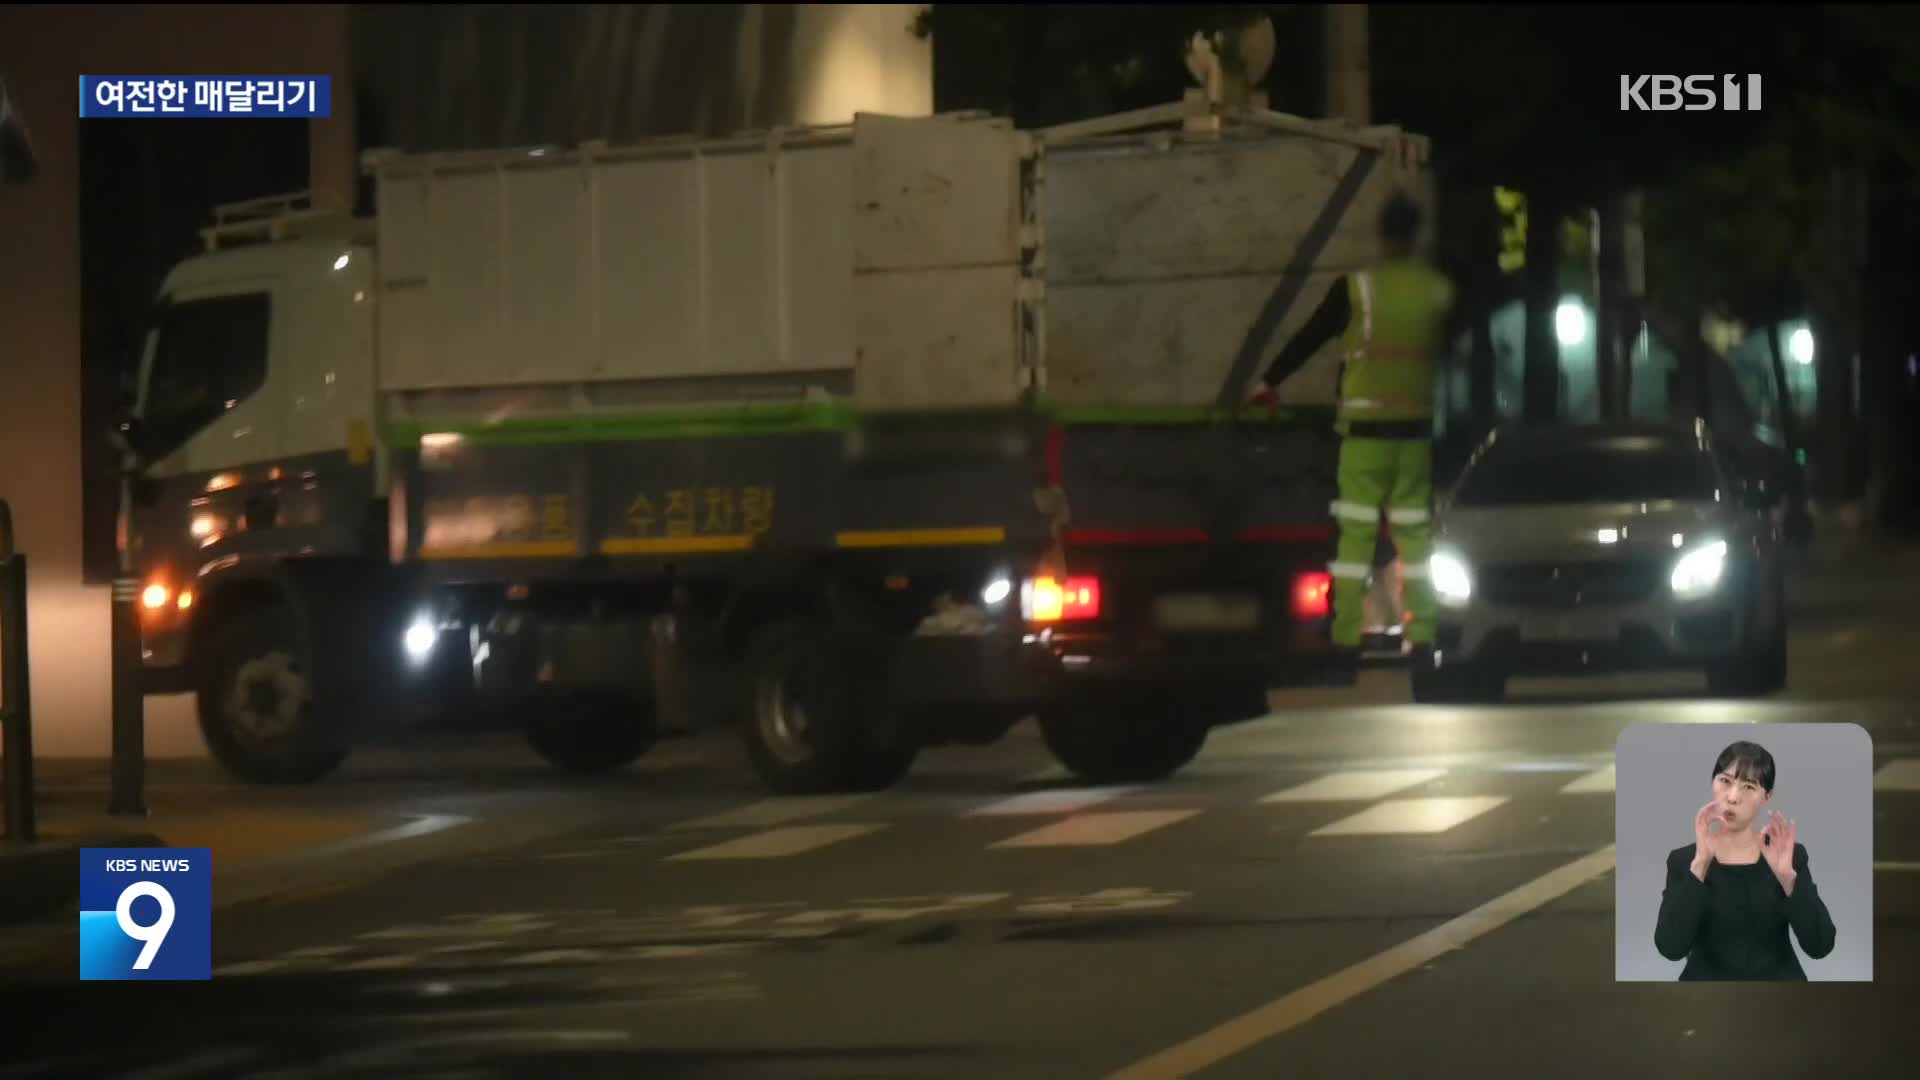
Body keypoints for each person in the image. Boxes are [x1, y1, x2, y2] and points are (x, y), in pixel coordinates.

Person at [1247, 190, 1454, 652]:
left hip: (1364, 438)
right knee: (1415, 539)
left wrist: (1270, 380)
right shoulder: (1436, 291)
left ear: (1383, 236)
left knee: (1355, 535)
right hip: (1415, 437)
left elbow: (1312, 335)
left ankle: (1344, 633)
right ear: (1416, 236)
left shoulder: (1357, 288)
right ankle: (1422, 633)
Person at [1653, 740, 1838, 980]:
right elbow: (1670, 948)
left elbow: (1820, 946)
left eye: (1749, 787)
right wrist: (1700, 865)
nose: (1732, 797)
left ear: (1767, 796)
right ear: (1713, 783)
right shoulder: (1685, 859)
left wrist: (1788, 879)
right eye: (1725, 781)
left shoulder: (1785, 855)